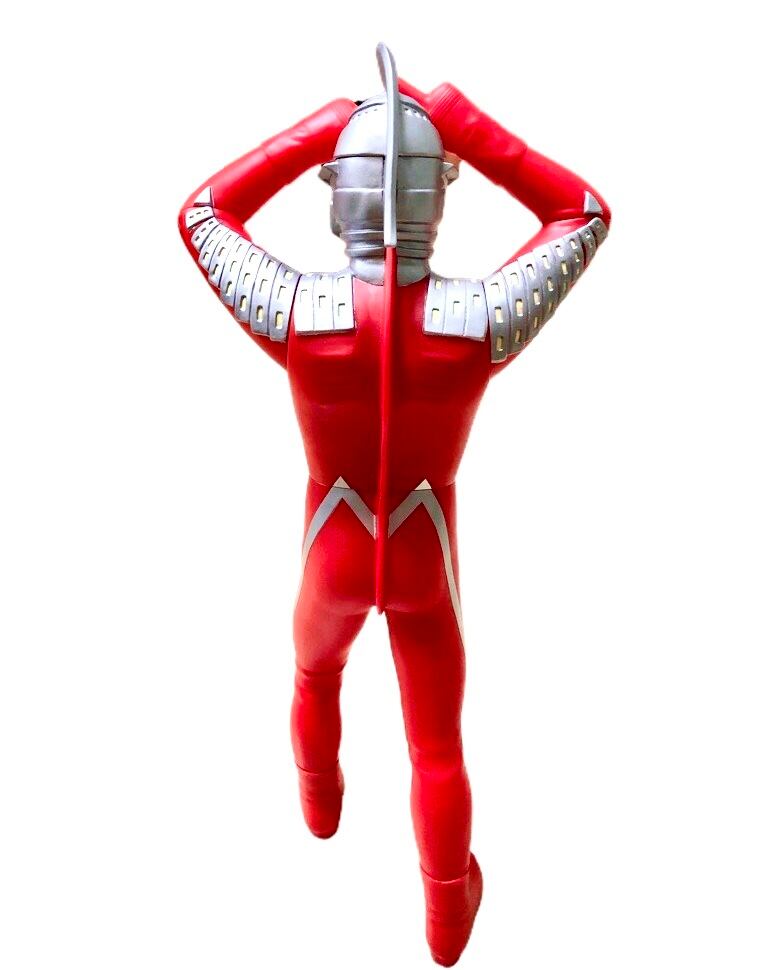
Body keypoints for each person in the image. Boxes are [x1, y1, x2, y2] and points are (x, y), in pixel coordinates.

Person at [177, 46, 610, 967]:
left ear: (338, 198)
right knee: (436, 746)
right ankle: (446, 916)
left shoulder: (298, 308)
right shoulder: (478, 317)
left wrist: (322, 129)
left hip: (333, 546)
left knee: (313, 675)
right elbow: (581, 213)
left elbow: (203, 214)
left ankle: (318, 802)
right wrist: (460, 119)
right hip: (422, 551)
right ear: (436, 198)